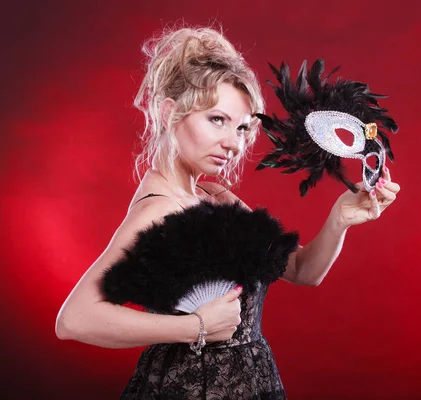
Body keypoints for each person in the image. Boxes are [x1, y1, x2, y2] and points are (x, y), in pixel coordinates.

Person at [55, 26, 400, 399]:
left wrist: (340, 218)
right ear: (171, 113)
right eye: (216, 120)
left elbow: (302, 271)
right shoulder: (158, 209)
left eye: (241, 128)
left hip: (254, 382)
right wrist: (196, 327)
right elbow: (74, 320)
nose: (233, 143)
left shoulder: (216, 196)